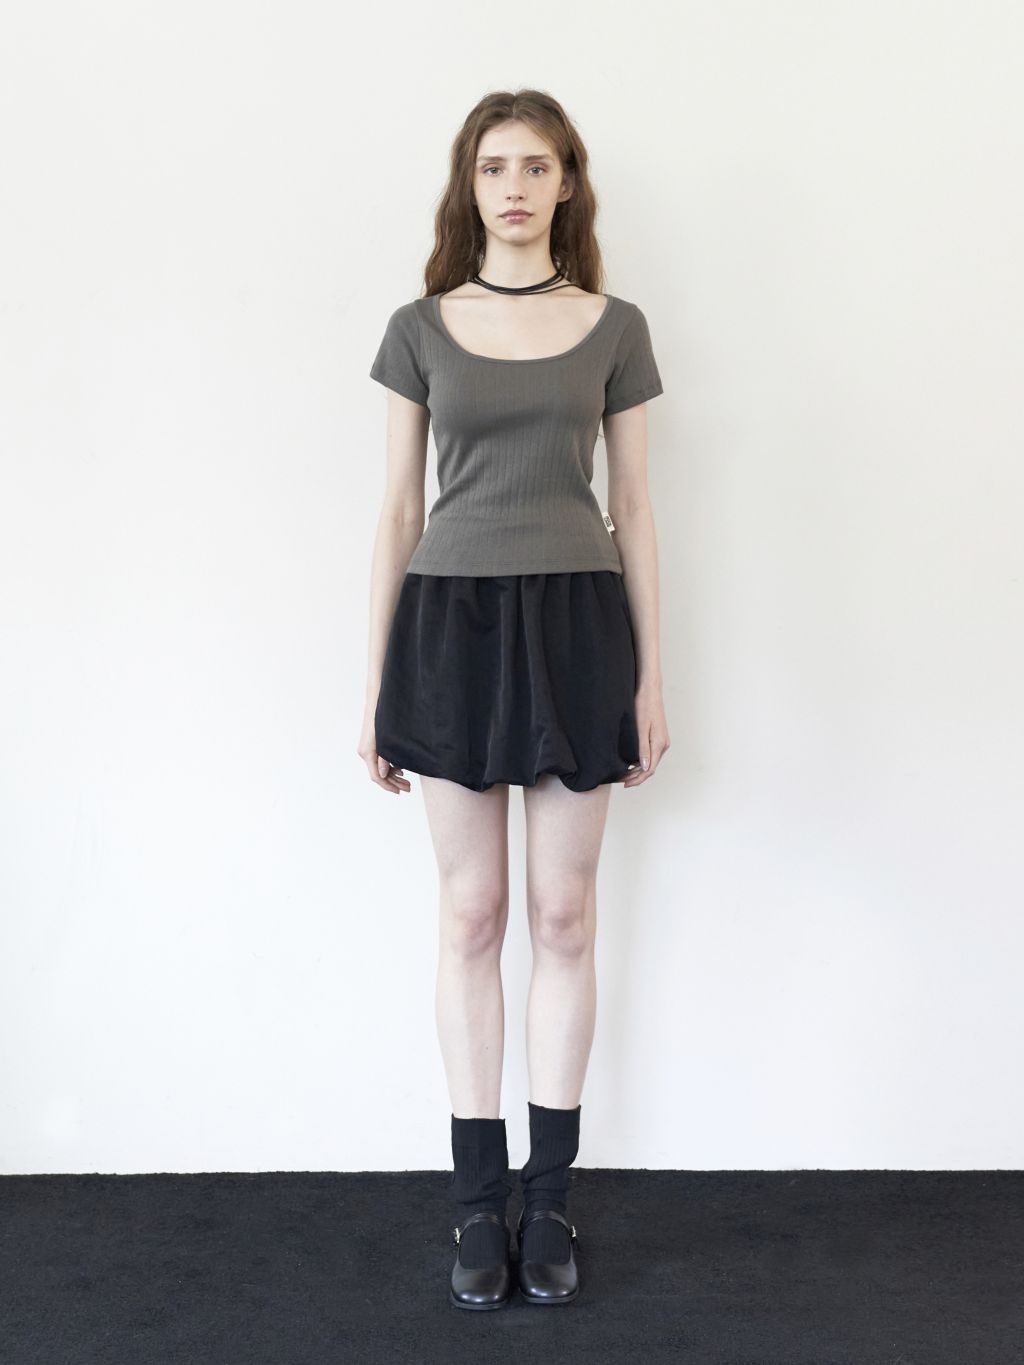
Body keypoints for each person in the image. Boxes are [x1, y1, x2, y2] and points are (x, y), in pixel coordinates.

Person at [358, 89, 670, 1310]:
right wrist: (375, 683)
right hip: (451, 625)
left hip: (579, 624)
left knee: (565, 913)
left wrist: (651, 674)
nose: (516, 187)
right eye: (494, 167)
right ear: (469, 185)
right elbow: (397, 508)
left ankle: (548, 1200)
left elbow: (632, 506)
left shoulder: (615, 327)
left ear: (567, 183)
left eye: (537, 166)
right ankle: (475, 1204)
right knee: (473, 912)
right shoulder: (418, 328)